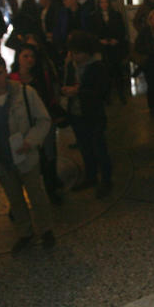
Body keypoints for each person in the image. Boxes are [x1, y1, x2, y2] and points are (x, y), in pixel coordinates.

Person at [0, 55, 55, 253]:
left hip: (26, 156)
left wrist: (30, 141)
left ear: (6, 71)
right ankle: (25, 232)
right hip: (1, 159)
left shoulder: (25, 93)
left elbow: (43, 120)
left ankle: (46, 229)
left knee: (36, 195)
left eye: (0, 73)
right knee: (15, 199)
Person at [9, 44, 63, 204]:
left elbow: (49, 96)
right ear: (18, 57)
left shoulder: (41, 76)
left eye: (32, 56)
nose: (29, 60)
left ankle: (51, 187)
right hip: (22, 126)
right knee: (26, 159)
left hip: (43, 122)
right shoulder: (12, 80)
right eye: (25, 56)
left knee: (49, 155)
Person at [62, 31, 113, 199]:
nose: (75, 56)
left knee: (99, 148)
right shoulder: (71, 66)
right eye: (73, 52)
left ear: (87, 52)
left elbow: (102, 92)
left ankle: (106, 180)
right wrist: (67, 90)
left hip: (93, 114)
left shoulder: (97, 67)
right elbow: (67, 82)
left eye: (78, 53)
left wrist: (78, 91)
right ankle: (90, 176)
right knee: (85, 148)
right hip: (76, 113)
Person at [89, 0, 129, 104]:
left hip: (114, 47)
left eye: (106, 2)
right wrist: (100, 40)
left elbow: (122, 30)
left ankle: (121, 94)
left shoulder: (116, 15)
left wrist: (116, 40)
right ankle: (107, 96)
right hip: (102, 48)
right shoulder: (94, 16)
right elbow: (92, 32)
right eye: (102, 2)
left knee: (117, 71)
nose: (104, 4)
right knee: (105, 72)